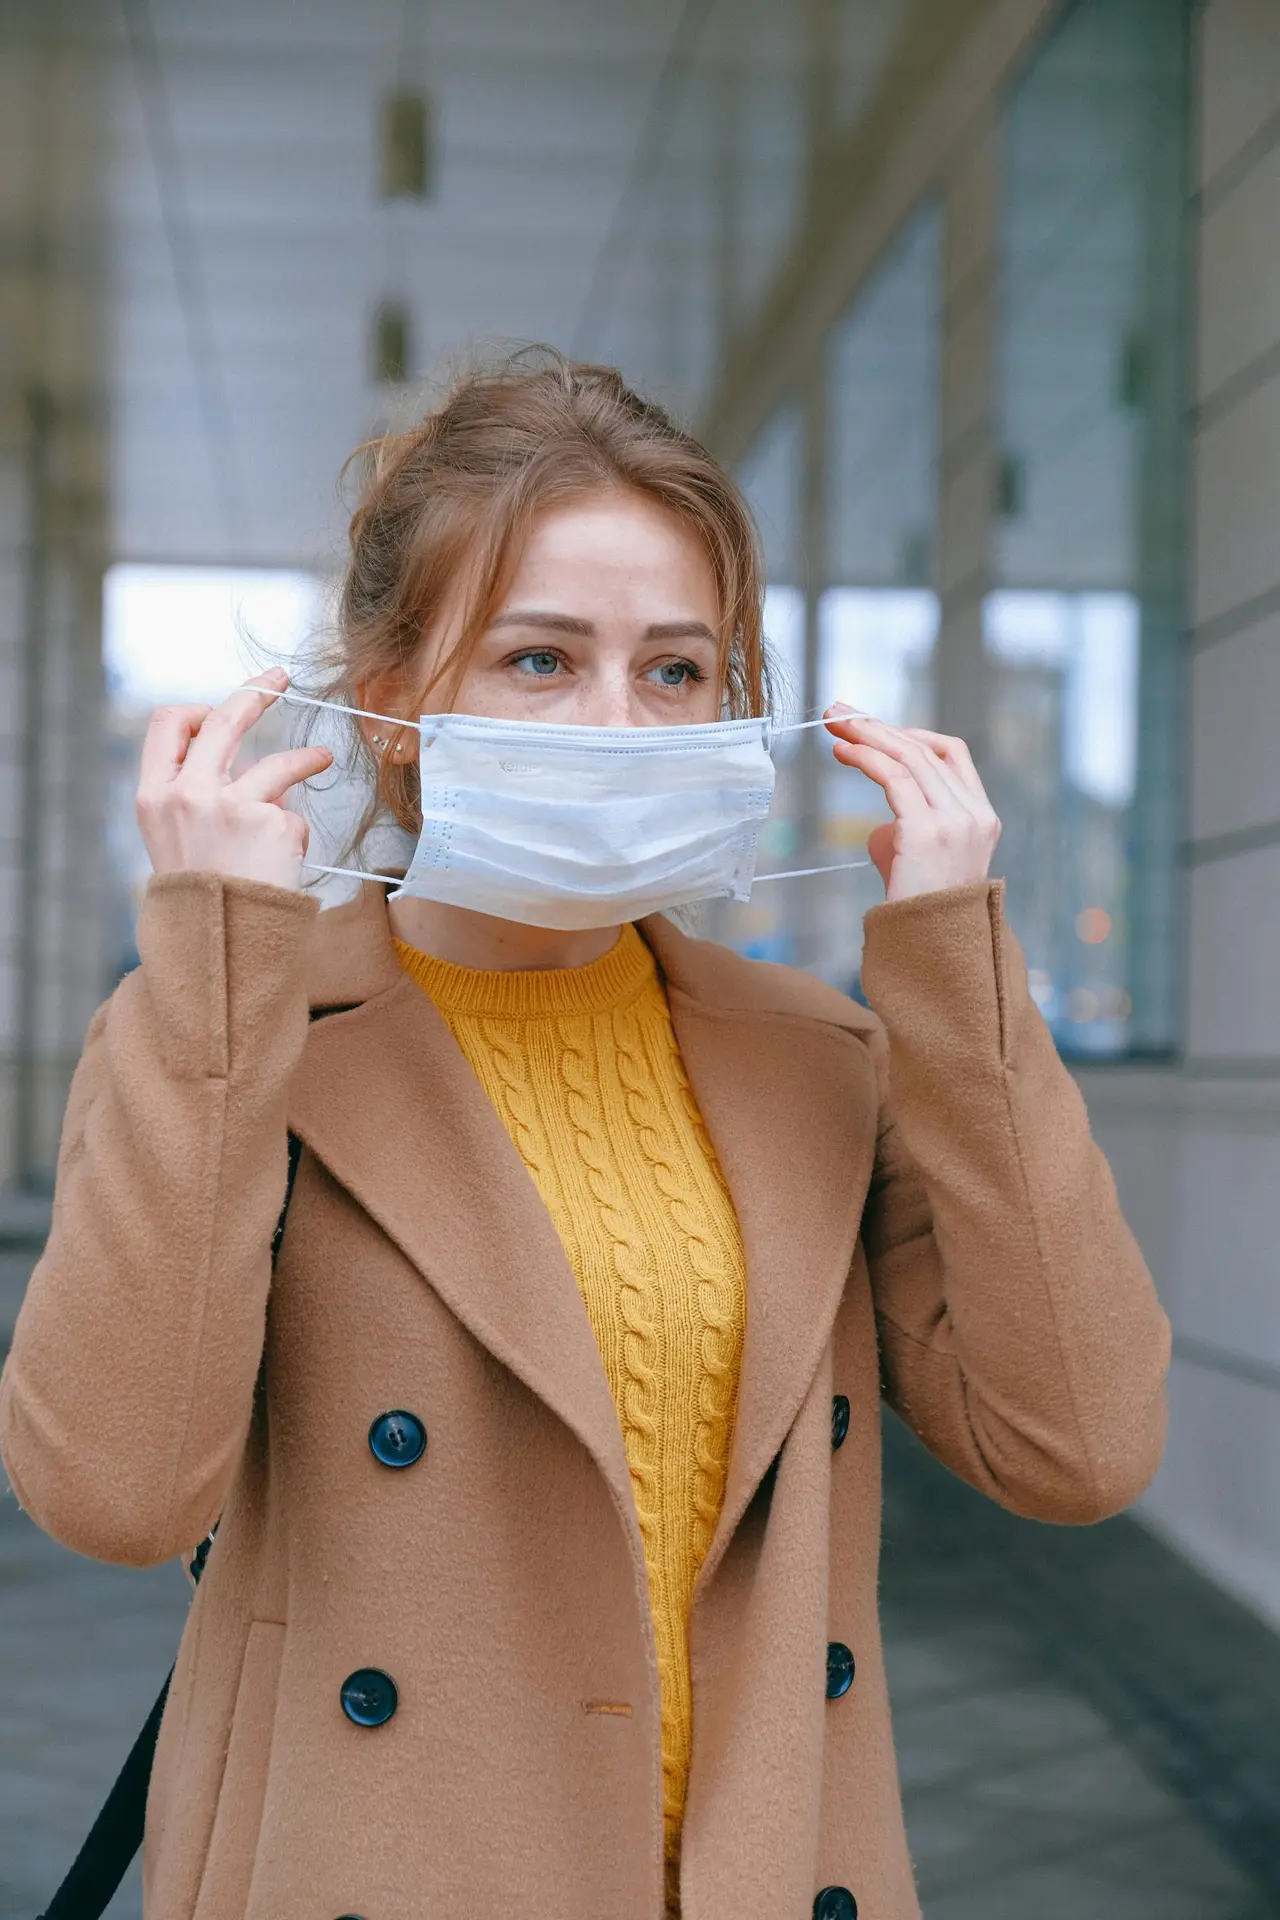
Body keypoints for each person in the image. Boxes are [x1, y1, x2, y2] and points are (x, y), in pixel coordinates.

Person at [0, 352, 1170, 1920]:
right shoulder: (236, 1040)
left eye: (677, 671)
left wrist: (960, 980)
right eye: (541, 661)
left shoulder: (818, 1059)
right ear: (397, 700)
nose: (619, 722)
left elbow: (1078, 1447)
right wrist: (215, 952)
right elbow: (116, 1495)